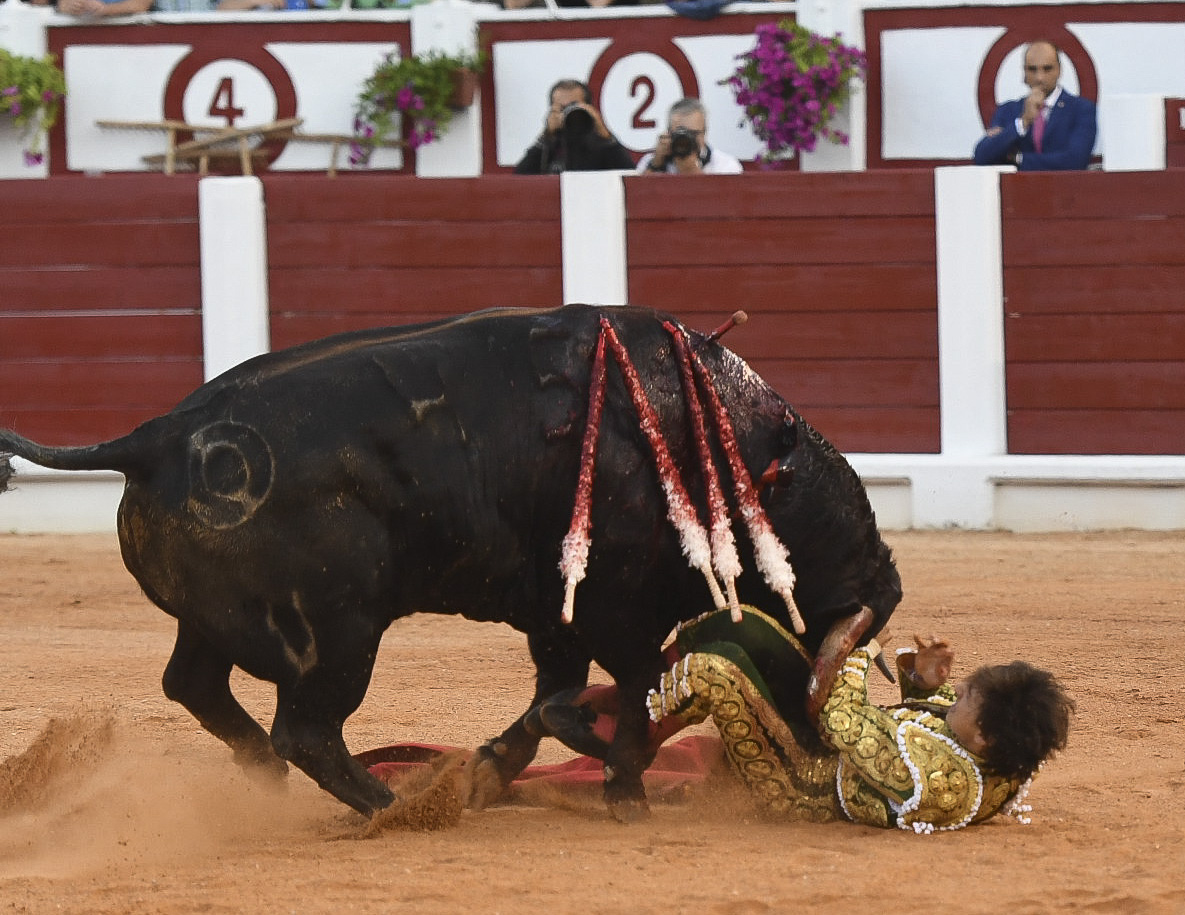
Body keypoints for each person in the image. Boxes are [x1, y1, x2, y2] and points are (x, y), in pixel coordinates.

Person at [526, 605, 1075, 832]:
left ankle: (631, 735)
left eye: (966, 697)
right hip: (828, 755)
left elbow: (840, 716)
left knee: (719, 671)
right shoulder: (994, 752)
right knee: (743, 628)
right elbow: (931, 723)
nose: (958, 695)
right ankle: (628, 698)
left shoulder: (938, 782)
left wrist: (860, 648)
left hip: (800, 784)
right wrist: (922, 680)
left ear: (985, 736)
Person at [973, 39, 1097, 171]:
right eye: (1032, 69)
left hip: (1064, 185)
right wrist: (1023, 122)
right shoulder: (1007, 111)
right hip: (1019, 185)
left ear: (1059, 70)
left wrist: (1018, 158)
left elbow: (1075, 160)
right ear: (1024, 72)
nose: (1039, 78)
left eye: (1047, 69)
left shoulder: (1081, 110)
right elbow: (982, 157)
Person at [513, 79, 636, 175]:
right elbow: (521, 178)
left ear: (588, 107)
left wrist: (604, 134)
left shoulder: (601, 144)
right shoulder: (550, 144)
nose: (568, 112)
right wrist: (547, 134)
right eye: (562, 108)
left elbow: (630, 176)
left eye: (573, 106)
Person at [636, 97, 744, 175]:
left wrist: (691, 170)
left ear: (704, 133)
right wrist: (656, 164)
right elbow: (637, 195)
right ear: (668, 133)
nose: (686, 139)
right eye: (680, 132)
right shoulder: (650, 161)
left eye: (693, 134)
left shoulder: (725, 165)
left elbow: (723, 199)